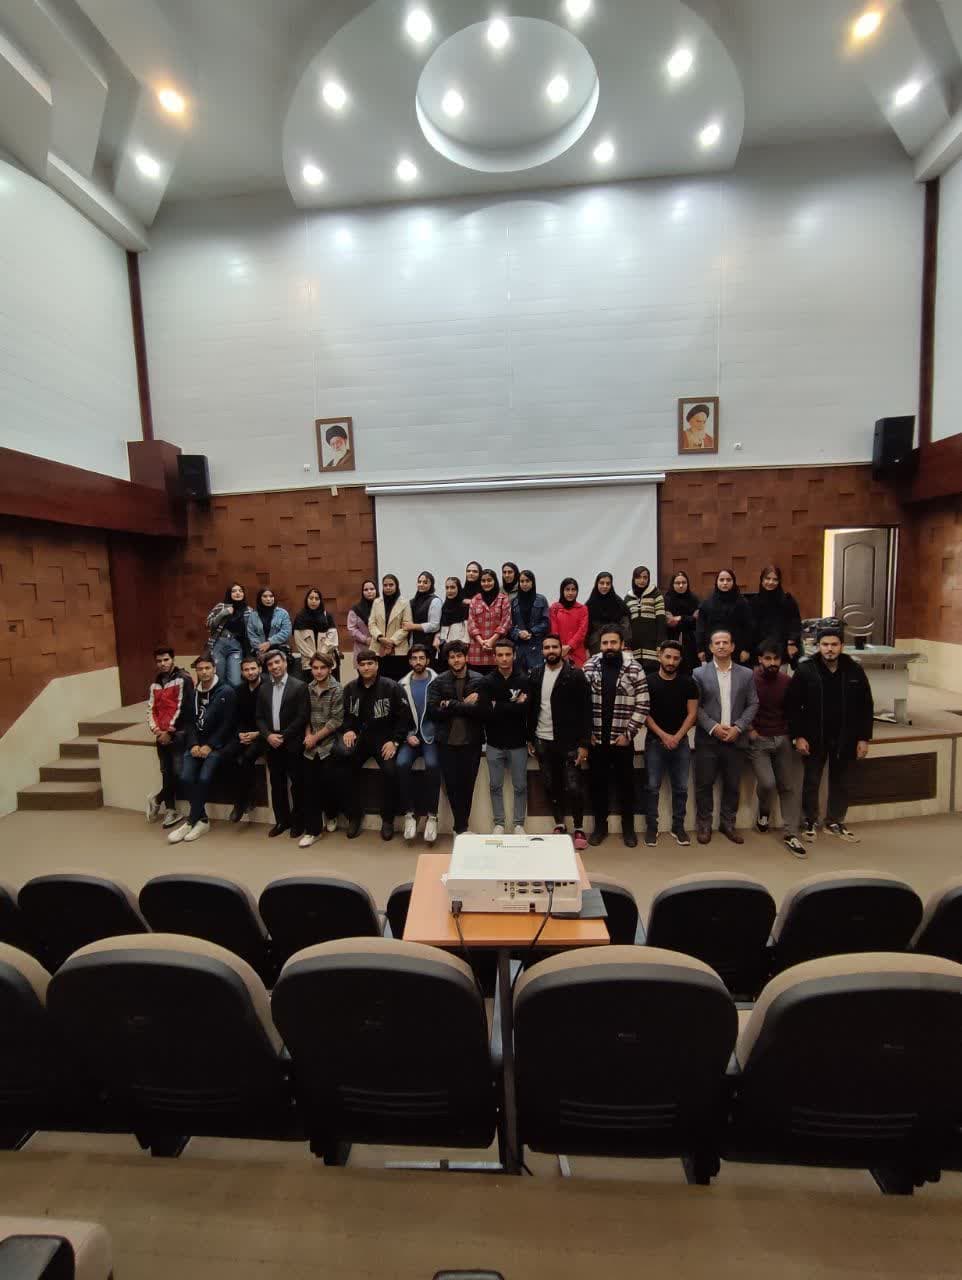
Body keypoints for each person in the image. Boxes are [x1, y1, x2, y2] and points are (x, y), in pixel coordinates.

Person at [786, 626, 873, 843]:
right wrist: (798, 736)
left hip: (846, 736)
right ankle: (810, 821)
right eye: (825, 644)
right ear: (818, 646)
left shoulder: (854, 670)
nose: (829, 649)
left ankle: (835, 821)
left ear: (842, 646)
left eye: (834, 644)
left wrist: (863, 738)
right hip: (814, 736)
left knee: (841, 781)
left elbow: (865, 706)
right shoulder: (806, 670)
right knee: (812, 780)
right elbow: (792, 706)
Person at [583, 628, 649, 847]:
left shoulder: (634, 668)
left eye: (613, 642)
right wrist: (587, 734)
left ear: (621, 644)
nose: (609, 647)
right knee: (597, 787)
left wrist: (629, 734)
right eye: (605, 643)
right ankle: (599, 829)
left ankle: (628, 829)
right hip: (596, 741)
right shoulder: (589, 666)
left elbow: (643, 704)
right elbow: (579, 703)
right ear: (600, 645)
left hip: (622, 741)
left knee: (626, 787)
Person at [692, 629, 758, 845]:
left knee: (732, 785)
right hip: (708, 740)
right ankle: (704, 824)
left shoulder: (746, 674)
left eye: (725, 642)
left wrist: (738, 728)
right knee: (704, 784)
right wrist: (712, 727)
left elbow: (753, 703)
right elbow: (695, 707)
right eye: (717, 643)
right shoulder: (698, 674)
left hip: (735, 739)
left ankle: (728, 823)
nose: (721, 646)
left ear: (732, 647)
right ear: (711, 647)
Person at [526, 633, 591, 850]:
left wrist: (584, 744)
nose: (551, 651)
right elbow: (531, 709)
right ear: (542, 651)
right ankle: (560, 824)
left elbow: (586, 711)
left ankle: (579, 828)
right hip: (543, 740)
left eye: (555, 647)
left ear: (561, 649)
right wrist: (530, 738)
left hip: (569, 742)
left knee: (573, 787)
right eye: (547, 647)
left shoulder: (575, 674)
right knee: (550, 785)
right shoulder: (535, 674)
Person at [168, 653, 236, 845]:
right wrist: (194, 744)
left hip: (217, 745)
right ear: (196, 671)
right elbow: (189, 723)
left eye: (207, 668)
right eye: (200, 669)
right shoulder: (193, 692)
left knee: (204, 778)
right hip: (196, 744)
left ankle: (191, 821)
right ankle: (202, 819)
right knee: (186, 777)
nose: (204, 672)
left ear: (214, 668)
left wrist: (210, 745)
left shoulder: (226, 691)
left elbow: (228, 725)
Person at [341, 648, 407, 840]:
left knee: (390, 771)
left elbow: (404, 718)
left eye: (370, 663)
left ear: (377, 665)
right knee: (345, 767)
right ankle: (354, 816)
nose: (366, 667)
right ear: (358, 667)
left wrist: (395, 741)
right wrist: (348, 729)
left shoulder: (392, 687)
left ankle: (387, 820)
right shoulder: (350, 688)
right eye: (362, 664)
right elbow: (344, 715)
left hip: (385, 739)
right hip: (360, 738)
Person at [750, 638, 806, 858]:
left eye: (776, 659)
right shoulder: (749, 679)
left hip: (782, 738)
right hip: (759, 740)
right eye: (768, 658)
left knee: (787, 786)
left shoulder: (786, 681)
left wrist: (796, 736)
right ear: (760, 659)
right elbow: (740, 707)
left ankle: (791, 833)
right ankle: (763, 811)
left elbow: (794, 710)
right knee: (767, 783)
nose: (772, 663)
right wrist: (750, 730)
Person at [426, 640, 486, 834]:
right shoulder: (438, 682)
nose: (456, 660)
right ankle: (461, 828)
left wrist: (450, 704)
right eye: (452, 657)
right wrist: (463, 705)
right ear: (448, 660)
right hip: (447, 742)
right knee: (452, 786)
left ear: (466, 657)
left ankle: (461, 827)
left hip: (472, 742)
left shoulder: (479, 680)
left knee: (468, 786)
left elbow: (482, 712)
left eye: (459, 656)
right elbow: (433, 712)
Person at [643, 640, 698, 847]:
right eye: (668, 657)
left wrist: (676, 736)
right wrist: (664, 736)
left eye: (675, 658)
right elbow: (644, 713)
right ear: (660, 656)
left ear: (680, 660)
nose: (671, 661)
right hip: (654, 741)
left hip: (681, 742)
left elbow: (692, 713)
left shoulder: (688, 683)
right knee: (651, 788)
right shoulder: (648, 681)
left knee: (681, 788)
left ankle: (678, 827)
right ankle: (652, 828)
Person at [256, 648, 310, 838]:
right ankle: (282, 821)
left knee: (297, 784)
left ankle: (298, 822)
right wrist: (268, 735)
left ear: (285, 663)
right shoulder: (263, 688)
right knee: (276, 784)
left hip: (292, 742)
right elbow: (259, 717)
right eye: (270, 664)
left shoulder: (300, 686)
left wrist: (284, 736)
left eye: (277, 662)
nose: (274, 666)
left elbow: (302, 716)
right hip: (271, 743)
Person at [480, 639, 530, 835]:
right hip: (494, 743)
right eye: (500, 655)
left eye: (508, 654)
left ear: (514, 655)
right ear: (494, 657)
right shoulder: (487, 681)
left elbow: (525, 710)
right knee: (495, 786)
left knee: (520, 786)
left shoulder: (523, 679)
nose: (504, 658)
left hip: (518, 743)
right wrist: (513, 704)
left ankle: (519, 824)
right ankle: (499, 824)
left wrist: (498, 705)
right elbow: (485, 711)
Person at [146, 645, 193, 830]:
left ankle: (157, 799)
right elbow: (151, 709)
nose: (163, 663)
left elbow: (184, 707)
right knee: (166, 772)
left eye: (166, 659)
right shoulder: (155, 683)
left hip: (178, 734)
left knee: (179, 773)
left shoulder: (184, 678)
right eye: (159, 661)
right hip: (161, 735)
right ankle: (171, 810)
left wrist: (169, 732)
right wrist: (157, 731)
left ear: (173, 659)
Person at [299, 651, 343, 848]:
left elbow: (336, 721)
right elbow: (305, 716)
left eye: (322, 668)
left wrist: (315, 738)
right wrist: (308, 735)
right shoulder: (308, 688)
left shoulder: (337, 689)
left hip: (329, 744)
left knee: (329, 785)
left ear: (330, 669)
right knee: (309, 787)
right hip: (310, 745)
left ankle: (331, 814)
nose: (318, 671)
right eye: (315, 668)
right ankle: (313, 831)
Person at [397, 645, 440, 844]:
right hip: (411, 737)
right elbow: (398, 715)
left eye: (421, 658)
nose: (418, 662)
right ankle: (409, 814)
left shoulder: (438, 681)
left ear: (428, 661)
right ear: (409, 661)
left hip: (431, 737)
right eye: (414, 658)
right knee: (401, 764)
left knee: (432, 765)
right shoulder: (401, 684)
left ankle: (432, 816)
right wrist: (407, 735)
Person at [224, 654, 266, 824]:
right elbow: (235, 717)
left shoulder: (268, 688)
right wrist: (240, 734)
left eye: (253, 668)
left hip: (263, 735)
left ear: (260, 669)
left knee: (246, 758)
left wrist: (257, 733)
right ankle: (245, 797)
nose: (250, 672)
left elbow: (272, 718)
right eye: (246, 669)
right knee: (227, 754)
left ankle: (242, 802)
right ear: (242, 672)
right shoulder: (238, 690)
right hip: (244, 734)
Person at [696, 570, 753, 665]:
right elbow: (701, 627)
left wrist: (746, 649)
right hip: (713, 650)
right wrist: (700, 649)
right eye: (721, 580)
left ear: (734, 582)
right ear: (716, 582)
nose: (725, 583)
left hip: (737, 651)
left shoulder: (742, 603)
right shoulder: (707, 604)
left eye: (728, 580)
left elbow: (749, 627)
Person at [749, 565, 802, 666]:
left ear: (779, 581)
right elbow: (750, 628)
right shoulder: (754, 602)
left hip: (782, 651)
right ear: (762, 580)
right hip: (760, 652)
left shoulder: (787, 600)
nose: (771, 582)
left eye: (775, 579)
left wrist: (792, 643)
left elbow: (795, 624)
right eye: (767, 578)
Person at [368, 574, 413, 681]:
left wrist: (391, 642)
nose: (388, 588)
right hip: (378, 649)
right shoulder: (376, 602)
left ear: (396, 586)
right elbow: (371, 624)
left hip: (398, 650)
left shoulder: (405, 603)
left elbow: (406, 626)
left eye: (391, 585)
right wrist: (380, 638)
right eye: (385, 585)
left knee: (398, 682)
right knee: (379, 682)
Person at [206, 583, 250, 688]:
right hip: (219, 644)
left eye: (240, 591)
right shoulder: (221, 606)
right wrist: (223, 613)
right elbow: (208, 624)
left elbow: (251, 631)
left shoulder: (248, 610)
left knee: (236, 681)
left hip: (236, 646)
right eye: (234, 591)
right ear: (229, 593)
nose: (238, 593)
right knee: (219, 678)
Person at [467, 568, 512, 672]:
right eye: (483, 581)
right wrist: (482, 642)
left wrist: (491, 641)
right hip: (477, 651)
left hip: (497, 650)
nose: (486, 583)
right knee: (476, 680)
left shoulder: (503, 599)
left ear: (495, 581)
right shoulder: (475, 600)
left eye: (489, 580)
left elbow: (506, 623)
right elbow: (471, 624)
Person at [625, 566, 667, 671]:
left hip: (652, 646)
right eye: (638, 577)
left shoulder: (656, 595)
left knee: (651, 674)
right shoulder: (628, 598)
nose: (642, 580)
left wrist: (660, 644)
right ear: (634, 579)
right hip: (634, 647)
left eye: (645, 577)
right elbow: (627, 625)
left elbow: (661, 621)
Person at [292, 588, 339, 680]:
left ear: (320, 601)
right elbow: (299, 642)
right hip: (308, 663)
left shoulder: (327, 616)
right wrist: (313, 657)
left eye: (317, 599)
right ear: (306, 599)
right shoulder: (300, 617)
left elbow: (333, 637)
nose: (313, 601)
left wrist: (321, 656)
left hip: (326, 660)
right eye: (311, 598)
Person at [510, 569, 550, 674]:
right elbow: (510, 626)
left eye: (527, 581)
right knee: (519, 677)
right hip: (519, 647)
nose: (524, 584)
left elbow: (546, 623)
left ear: (533, 582)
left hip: (536, 646)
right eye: (522, 581)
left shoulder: (541, 600)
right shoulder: (514, 602)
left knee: (536, 676)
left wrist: (531, 631)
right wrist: (519, 633)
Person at [664, 570, 700, 674]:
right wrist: (688, 619)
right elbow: (669, 622)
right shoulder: (666, 600)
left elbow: (696, 621)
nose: (681, 585)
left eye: (684, 582)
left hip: (691, 643)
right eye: (677, 583)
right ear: (672, 584)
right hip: (671, 639)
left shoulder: (694, 599)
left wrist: (679, 618)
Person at [586, 571, 630, 655]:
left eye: (608, 583)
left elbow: (625, 625)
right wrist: (586, 648)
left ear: (611, 585)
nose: (605, 586)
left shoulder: (618, 603)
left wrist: (625, 643)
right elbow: (586, 630)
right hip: (596, 646)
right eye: (602, 583)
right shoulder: (590, 604)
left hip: (615, 645)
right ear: (597, 584)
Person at [247, 587, 293, 665]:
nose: (268, 599)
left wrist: (269, 643)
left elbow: (286, 632)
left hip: (279, 649)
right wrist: (260, 648)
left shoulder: (282, 613)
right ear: (260, 598)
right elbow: (251, 635)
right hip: (260, 651)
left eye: (271, 596)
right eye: (265, 596)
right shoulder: (253, 615)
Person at [549, 577, 589, 668]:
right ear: (562, 591)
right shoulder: (555, 608)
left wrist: (569, 646)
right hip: (559, 650)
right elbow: (554, 630)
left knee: (577, 674)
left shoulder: (583, 609)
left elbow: (582, 631)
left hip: (577, 650)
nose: (570, 593)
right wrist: (560, 647)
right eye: (567, 589)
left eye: (573, 590)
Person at [402, 571, 441, 652]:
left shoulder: (435, 601)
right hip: (412, 644)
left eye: (425, 582)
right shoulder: (412, 601)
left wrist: (413, 626)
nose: (421, 584)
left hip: (428, 645)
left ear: (431, 585)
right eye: (419, 582)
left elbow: (435, 625)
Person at [435, 576, 470, 664]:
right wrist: (437, 637)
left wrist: (463, 646)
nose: (449, 591)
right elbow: (443, 628)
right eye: (447, 588)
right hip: (445, 646)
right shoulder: (444, 606)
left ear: (459, 588)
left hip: (459, 648)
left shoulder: (465, 606)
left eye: (452, 587)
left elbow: (467, 629)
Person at [347, 579, 378, 651]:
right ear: (362, 592)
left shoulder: (383, 607)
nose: (369, 592)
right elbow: (351, 629)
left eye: (372, 589)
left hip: (381, 647)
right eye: (366, 590)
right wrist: (365, 639)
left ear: (376, 590)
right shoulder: (356, 609)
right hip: (363, 648)